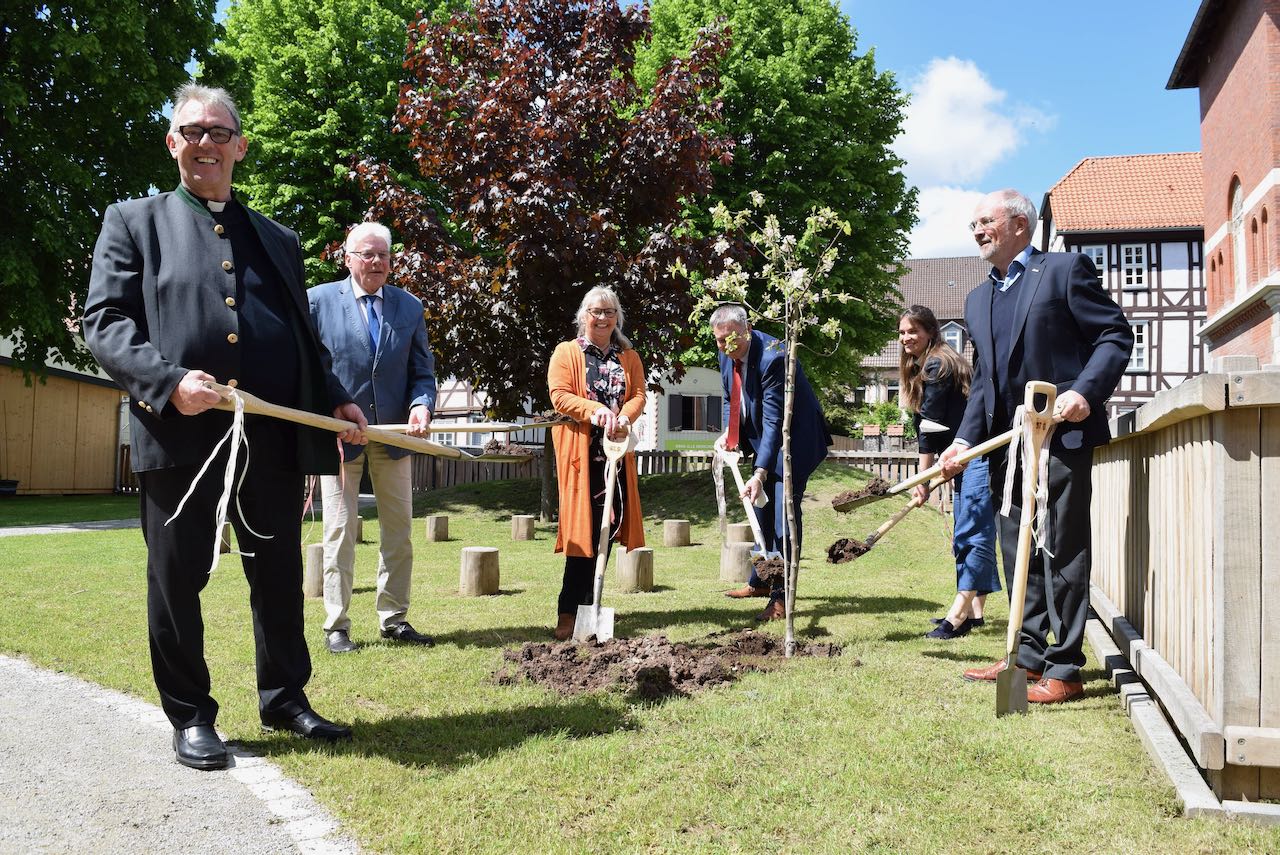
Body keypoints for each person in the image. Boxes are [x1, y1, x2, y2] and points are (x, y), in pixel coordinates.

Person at [83, 83, 366, 770]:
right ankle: (190, 715)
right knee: (177, 578)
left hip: (267, 438)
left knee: (275, 574)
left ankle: (285, 697)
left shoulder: (277, 239)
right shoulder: (133, 221)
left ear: (240, 146)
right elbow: (105, 323)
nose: (204, 142)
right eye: (191, 131)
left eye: (218, 132)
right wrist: (167, 380)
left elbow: (300, 336)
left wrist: (335, 398)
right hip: (180, 438)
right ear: (172, 143)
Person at [939, 189, 1133, 704]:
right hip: (1008, 446)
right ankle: (1024, 659)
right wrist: (962, 441)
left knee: (1061, 550)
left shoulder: (1064, 271)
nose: (978, 231)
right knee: (1014, 550)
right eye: (973, 225)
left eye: (986, 221)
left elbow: (1114, 335)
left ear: (1019, 224)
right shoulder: (978, 299)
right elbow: (984, 379)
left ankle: (1065, 668)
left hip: (1061, 436)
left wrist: (1084, 393)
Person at [307, 222, 438, 654]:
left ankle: (394, 618)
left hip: (395, 437)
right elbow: (310, 369)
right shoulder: (319, 302)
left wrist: (422, 404)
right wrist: (329, 412)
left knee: (398, 532)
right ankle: (336, 624)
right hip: (340, 436)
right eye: (368, 254)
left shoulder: (410, 307)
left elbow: (422, 371)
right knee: (340, 532)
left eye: (383, 254)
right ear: (348, 258)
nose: (377, 261)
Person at [711, 304, 832, 621]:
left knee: (781, 518)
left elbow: (776, 420)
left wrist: (761, 472)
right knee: (760, 511)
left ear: (747, 329)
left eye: (731, 340)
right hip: (764, 441)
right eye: (719, 341)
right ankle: (761, 583)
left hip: (795, 441)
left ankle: (781, 597)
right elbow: (731, 398)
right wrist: (730, 433)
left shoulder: (775, 357)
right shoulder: (727, 352)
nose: (725, 348)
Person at [547, 287, 647, 641]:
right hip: (582, 457)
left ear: (617, 316)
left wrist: (625, 418)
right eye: (595, 312)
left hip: (617, 457)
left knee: (608, 529)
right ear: (583, 316)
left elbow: (638, 395)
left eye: (608, 312)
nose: (602, 318)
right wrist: (596, 411)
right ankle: (568, 612)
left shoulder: (628, 356)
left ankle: (591, 609)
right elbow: (559, 395)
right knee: (583, 536)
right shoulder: (567, 353)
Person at [897, 305, 999, 640]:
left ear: (930, 331)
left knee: (971, 533)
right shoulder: (930, 362)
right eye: (901, 332)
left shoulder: (938, 364)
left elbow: (928, 426)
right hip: (961, 457)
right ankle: (974, 613)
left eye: (913, 331)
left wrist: (922, 480)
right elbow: (927, 425)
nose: (906, 338)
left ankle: (956, 616)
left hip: (977, 454)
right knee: (969, 530)